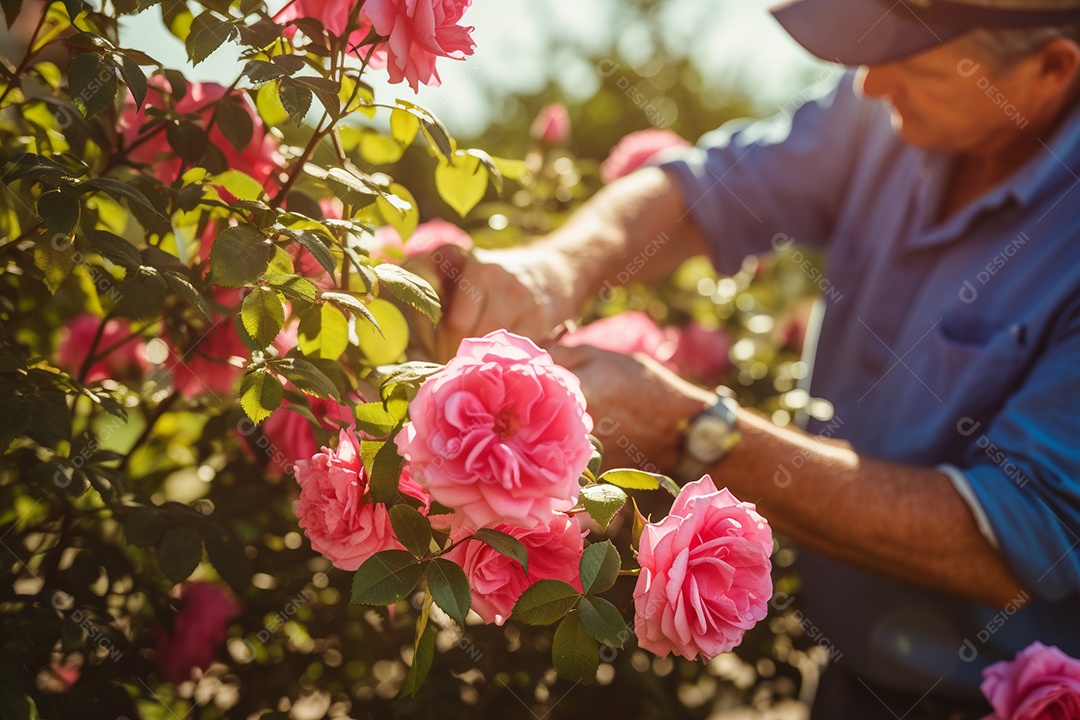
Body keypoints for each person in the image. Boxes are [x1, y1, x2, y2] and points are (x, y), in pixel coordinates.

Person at [431, 0, 1080, 717]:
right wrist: (557, 269)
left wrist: (693, 427)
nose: (868, 85)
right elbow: (710, 186)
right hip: (841, 679)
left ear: (1051, 69)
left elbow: (1020, 539)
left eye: (913, 66)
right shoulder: (883, 110)